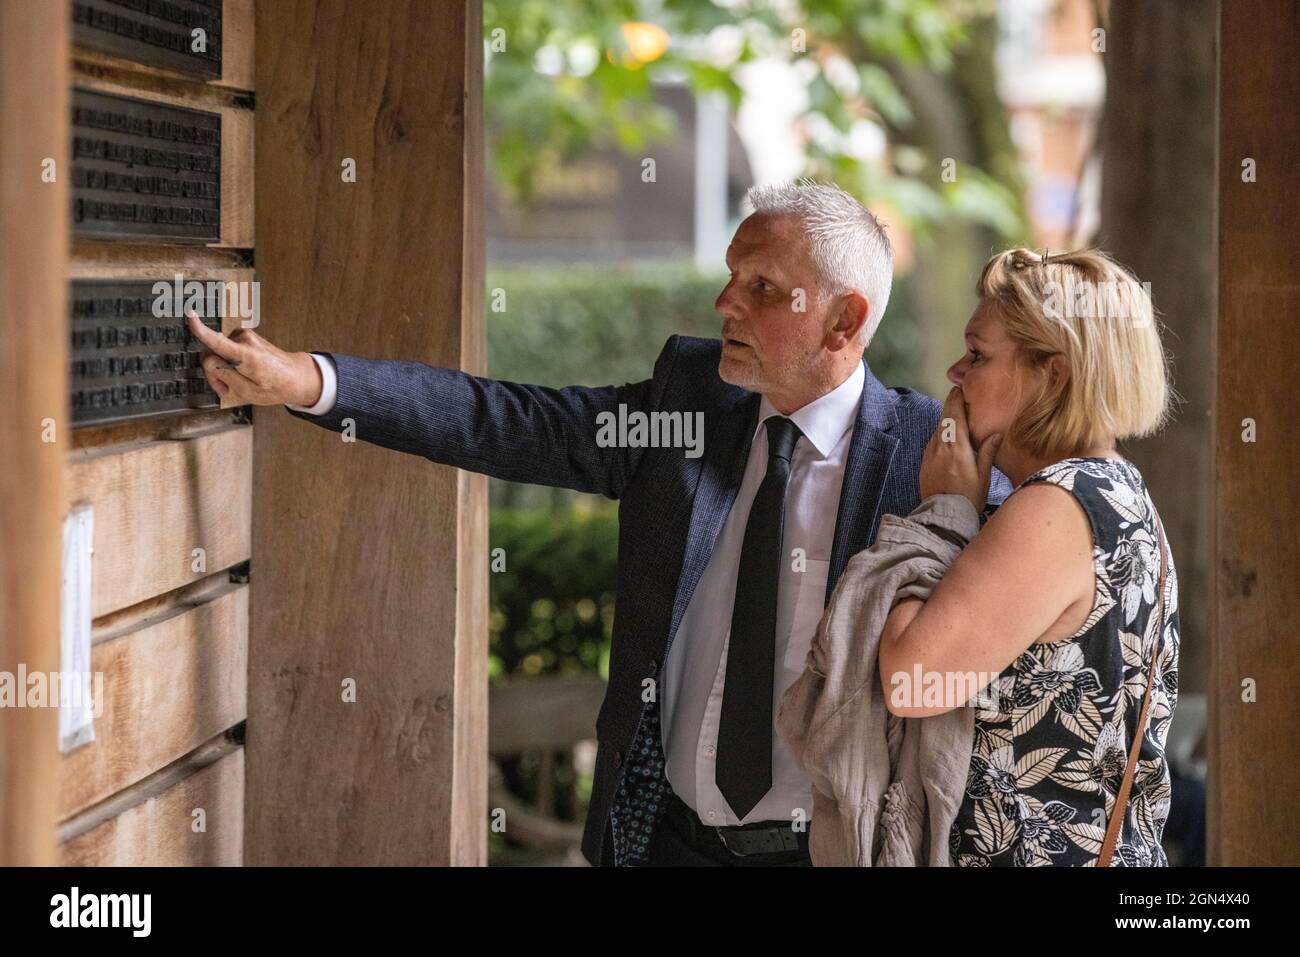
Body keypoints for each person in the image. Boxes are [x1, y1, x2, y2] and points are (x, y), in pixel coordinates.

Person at [187, 181, 1010, 866]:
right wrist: (307, 381)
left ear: (843, 320)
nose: (726, 302)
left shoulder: (926, 459)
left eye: (762, 287)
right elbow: (511, 421)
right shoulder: (690, 406)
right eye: (732, 276)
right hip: (663, 842)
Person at [878, 247, 1179, 866]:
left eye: (979, 355)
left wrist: (943, 512)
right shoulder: (1114, 489)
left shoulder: (1054, 508)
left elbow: (911, 680)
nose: (955, 372)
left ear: (1053, 374)